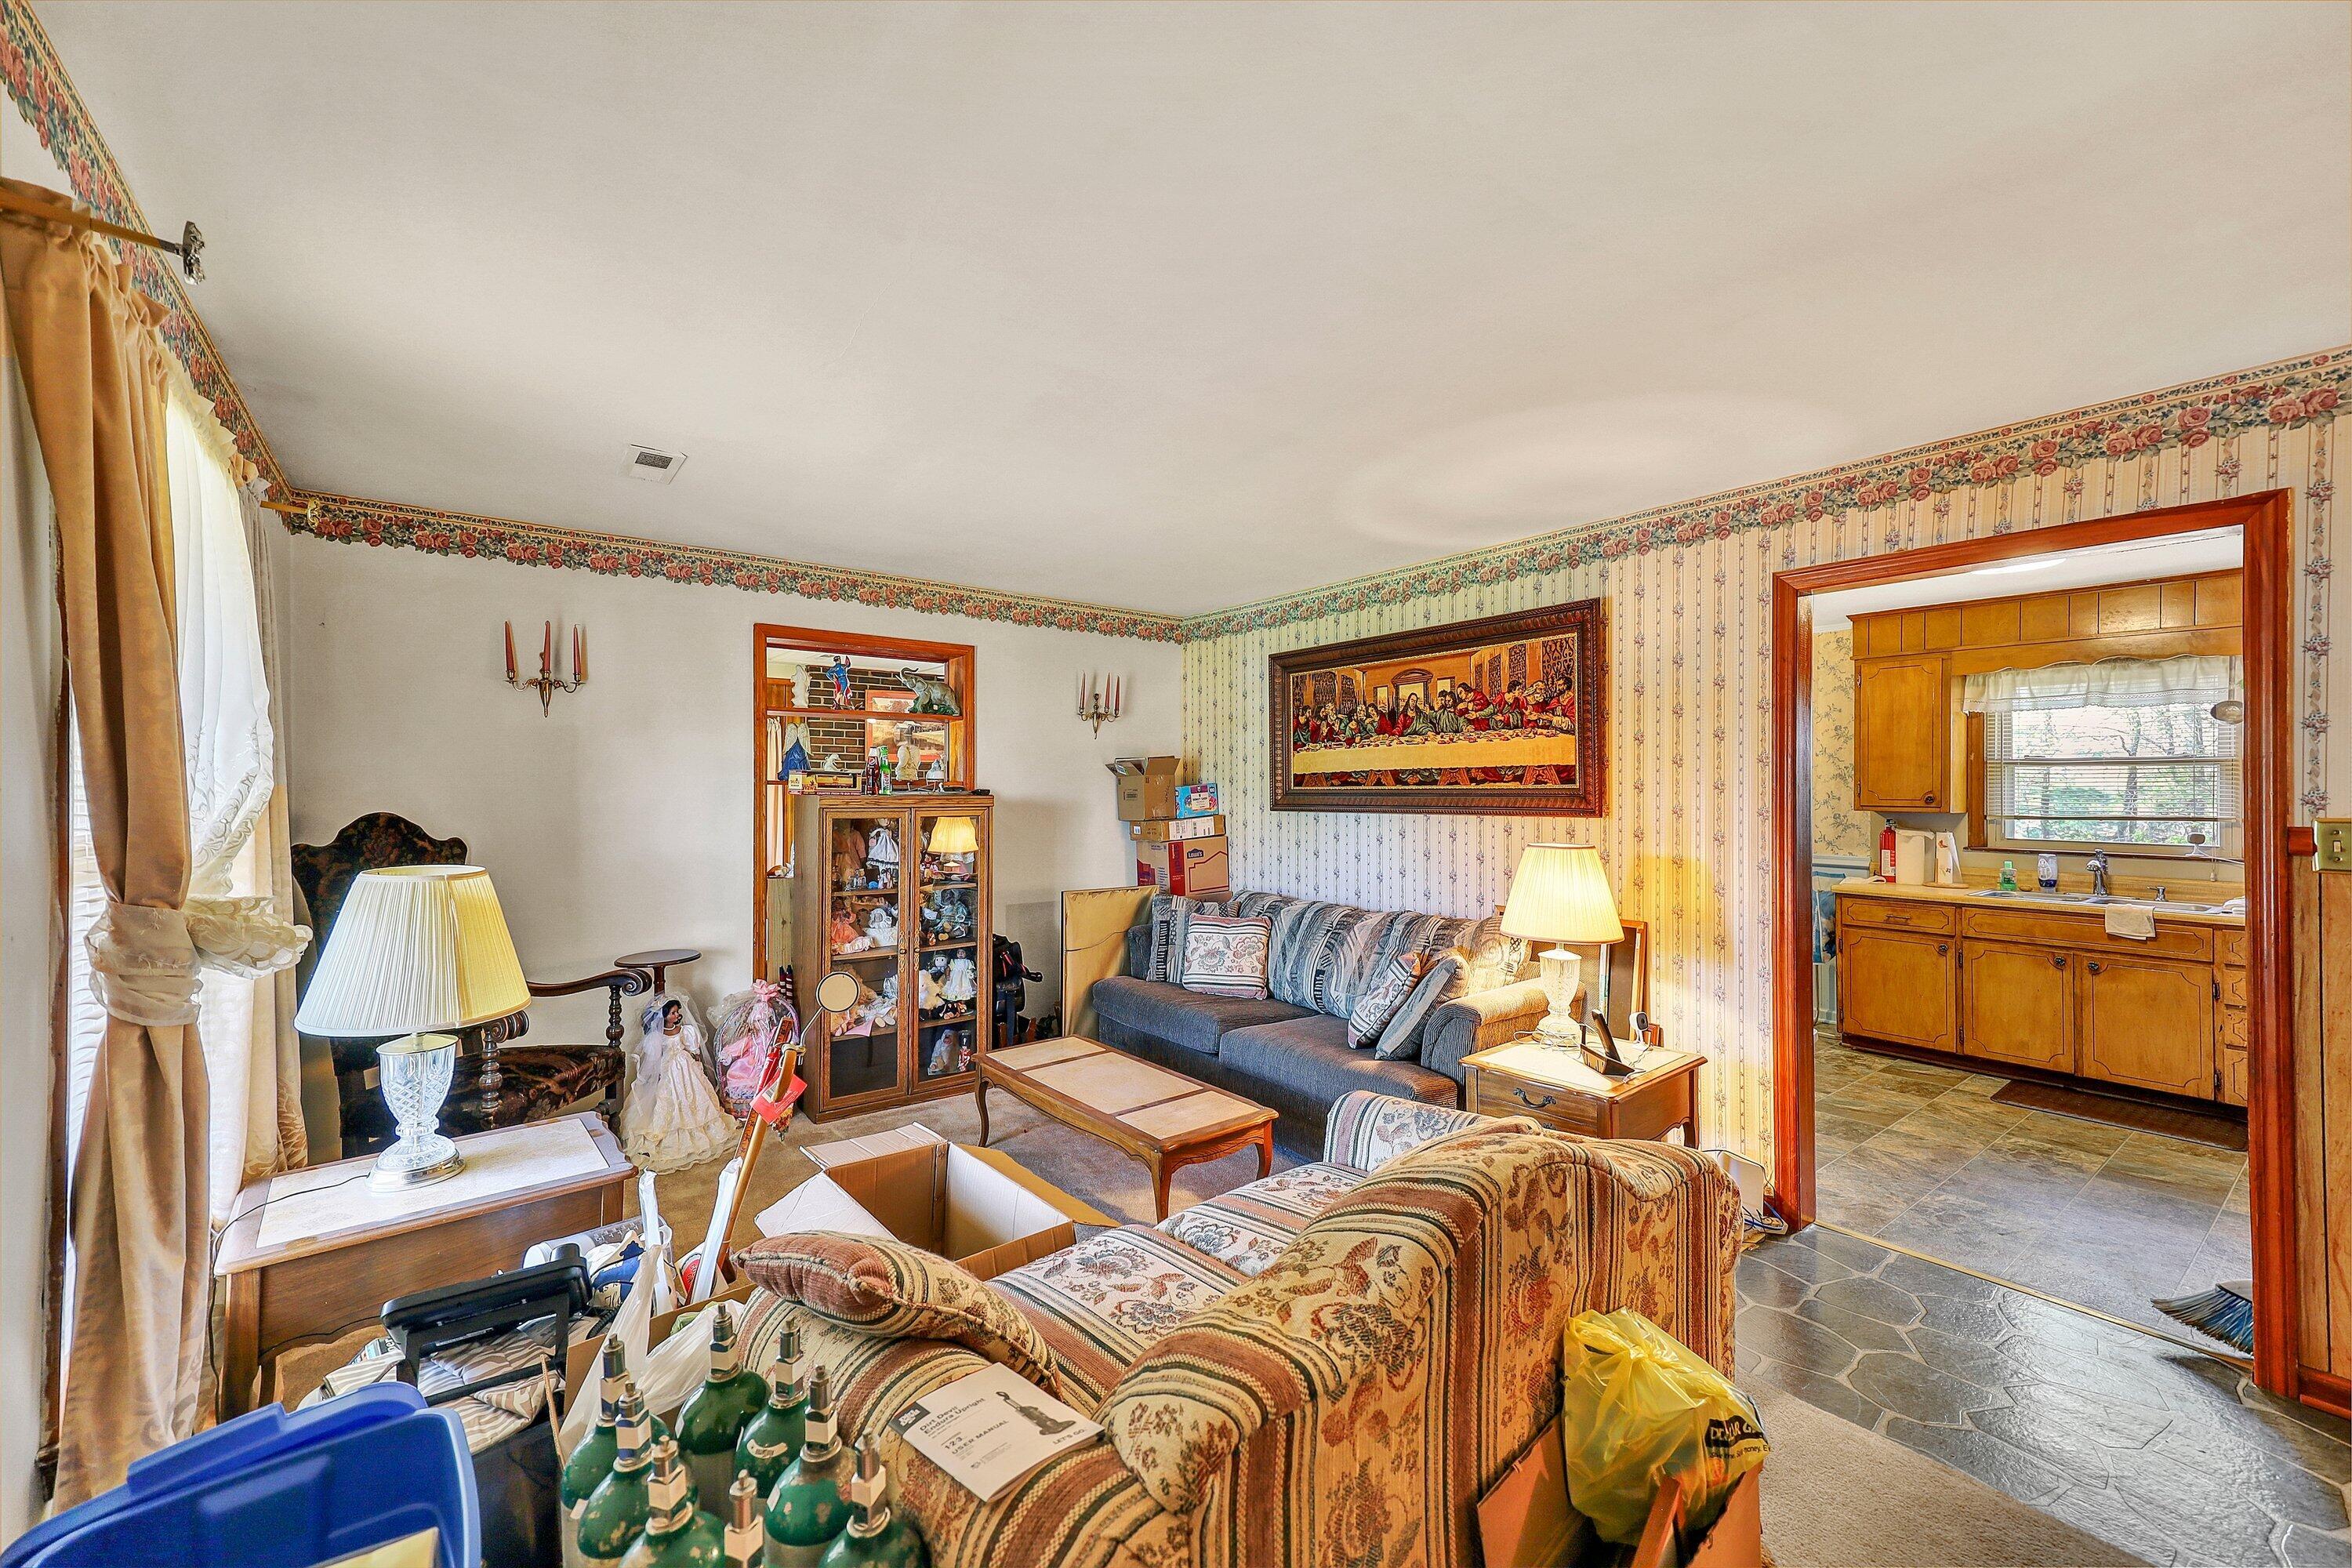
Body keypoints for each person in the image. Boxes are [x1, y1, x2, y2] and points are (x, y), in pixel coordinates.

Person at [623, 995, 739, 1173]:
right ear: (663, 1016)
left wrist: (697, 1065)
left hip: (686, 1067)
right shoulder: (656, 1037)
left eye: (677, 1012)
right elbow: (653, 1061)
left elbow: (693, 1050)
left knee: (695, 1096)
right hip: (668, 1069)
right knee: (667, 1100)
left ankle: (702, 1129)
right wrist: (652, 1077)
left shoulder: (685, 1031)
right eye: (672, 1013)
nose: (677, 1015)